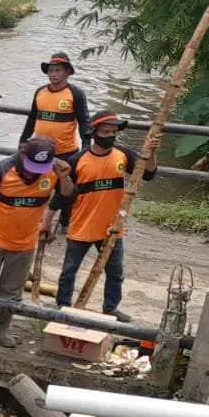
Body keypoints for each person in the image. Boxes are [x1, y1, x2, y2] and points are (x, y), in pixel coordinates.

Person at [0, 136, 74, 346]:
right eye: (31, 166)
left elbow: (67, 194)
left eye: (38, 168)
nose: (33, 172)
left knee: (12, 291)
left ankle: (1, 330)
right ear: (22, 153)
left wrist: (65, 178)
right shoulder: (1, 170)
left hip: (25, 242)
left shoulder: (53, 172)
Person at [47, 111, 150, 322]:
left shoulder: (123, 155)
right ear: (94, 133)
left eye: (113, 132)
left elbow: (147, 173)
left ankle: (111, 307)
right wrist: (46, 221)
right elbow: (63, 195)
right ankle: (62, 306)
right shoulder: (78, 160)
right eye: (106, 132)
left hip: (112, 227)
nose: (110, 136)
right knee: (69, 271)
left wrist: (152, 151)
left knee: (115, 272)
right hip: (82, 225)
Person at [20, 52, 91, 159]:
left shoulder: (76, 94)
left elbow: (84, 123)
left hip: (66, 153)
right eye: (51, 70)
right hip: (40, 150)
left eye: (58, 70)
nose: (53, 74)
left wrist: (86, 147)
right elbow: (32, 119)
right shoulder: (40, 92)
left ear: (67, 72)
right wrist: (23, 140)